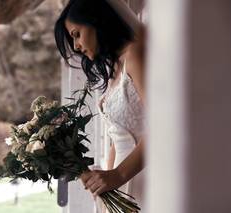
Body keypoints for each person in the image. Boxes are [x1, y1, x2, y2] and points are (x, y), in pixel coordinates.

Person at [54, 0, 146, 210]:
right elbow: (120, 137)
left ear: (96, 21)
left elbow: (163, 126)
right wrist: (105, 181)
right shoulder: (115, 69)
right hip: (122, 184)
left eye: (76, 34)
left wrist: (119, 174)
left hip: (145, 175)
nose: (76, 46)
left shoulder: (135, 56)